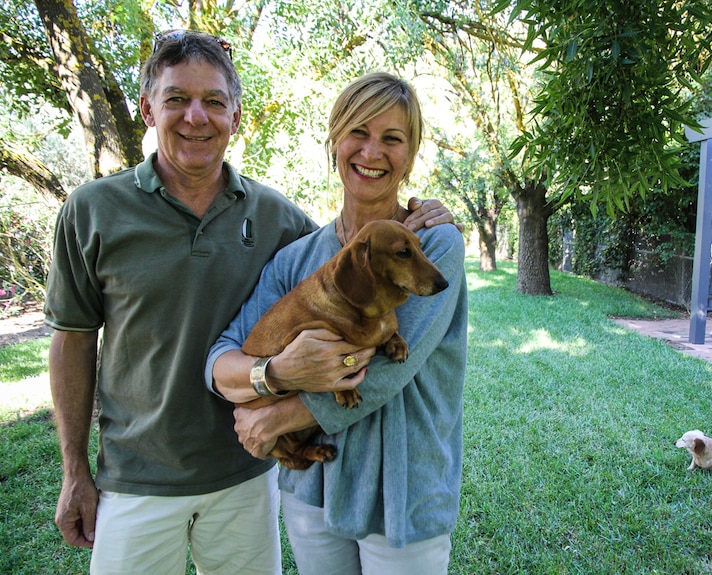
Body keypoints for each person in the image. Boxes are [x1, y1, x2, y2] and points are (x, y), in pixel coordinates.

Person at [45, 32, 455, 575]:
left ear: (235, 117)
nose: (196, 116)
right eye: (176, 99)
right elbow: (77, 336)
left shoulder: (280, 219)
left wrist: (420, 223)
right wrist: (74, 469)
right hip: (140, 478)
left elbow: (370, 316)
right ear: (147, 108)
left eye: (214, 101)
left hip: (253, 477)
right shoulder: (93, 210)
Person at [207, 72, 468, 574]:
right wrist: (270, 377)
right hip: (312, 490)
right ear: (334, 141)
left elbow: (389, 369)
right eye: (358, 132)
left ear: (410, 155)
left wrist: (276, 420)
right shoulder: (297, 258)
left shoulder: (437, 247)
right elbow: (224, 355)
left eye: (392, 138)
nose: (372, 152)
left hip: (404, 489)